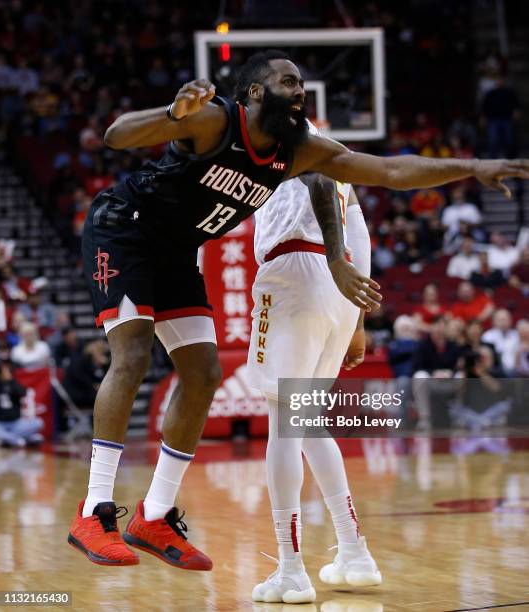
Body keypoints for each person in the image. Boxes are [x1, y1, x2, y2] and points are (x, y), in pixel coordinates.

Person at [70, 49, 529, 568]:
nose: (300, 90)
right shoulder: (217, 118)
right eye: (289, 81)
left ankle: (153, 514)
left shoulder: (300, 150)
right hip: (125, 228)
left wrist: (471, 167)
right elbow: (116, 135)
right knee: (131, 355)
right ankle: (93, 510)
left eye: (303, 85)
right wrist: (172, 115)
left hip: (176, 251)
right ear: (255, 92)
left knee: (203, 375)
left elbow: (390, 170)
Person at [246, 164, 380, 603]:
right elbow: (359, 233)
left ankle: (290, 568)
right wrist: (357, 317)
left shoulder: (280, 138)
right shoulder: (336, 156)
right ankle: (354, 551)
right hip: (339, 285)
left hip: (293, 271)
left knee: (284, 423)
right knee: (304, 422)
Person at [0, 361, 44, 447]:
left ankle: (7, 439)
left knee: (38, 422)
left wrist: (10, 380)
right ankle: (21, 439)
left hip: (16, 423)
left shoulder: (13, 383)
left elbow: (23, 393)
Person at [482, 309, 519, 374]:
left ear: (510, 320)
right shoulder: (487, 337)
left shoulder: (517, 335)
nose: (503, 322)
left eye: (505, 319)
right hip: (495, 372)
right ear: (494, 322)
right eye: (500, 320)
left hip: (516, 372)